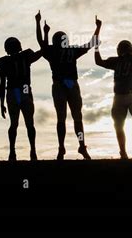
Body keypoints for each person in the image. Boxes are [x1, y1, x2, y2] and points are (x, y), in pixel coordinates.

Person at [35, 11, 99, 160]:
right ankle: (80, 146)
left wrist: (39, 24)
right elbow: (92, 42)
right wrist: (98, 28)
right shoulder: (71, 50)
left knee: (62, 118)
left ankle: (63, 147)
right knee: (76, 117)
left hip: (59, 84)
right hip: (70, 83)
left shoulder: (52, 50)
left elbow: (41, 42)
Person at [94, 17, 132, 159]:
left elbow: (98, 61)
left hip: (120, 96)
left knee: (120, 126)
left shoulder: (116, 61)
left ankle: (124, 153)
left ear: (118, 50)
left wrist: (97, 46)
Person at [0, 37, 42, 161]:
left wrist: (1, 103)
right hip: (24, 90)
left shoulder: (4, 61)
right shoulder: (26, 56)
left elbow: (1, 84)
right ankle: (32, 150)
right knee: (28, 123)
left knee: (15, 124)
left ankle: (13, 152)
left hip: (12, 92)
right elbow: (42, 51)